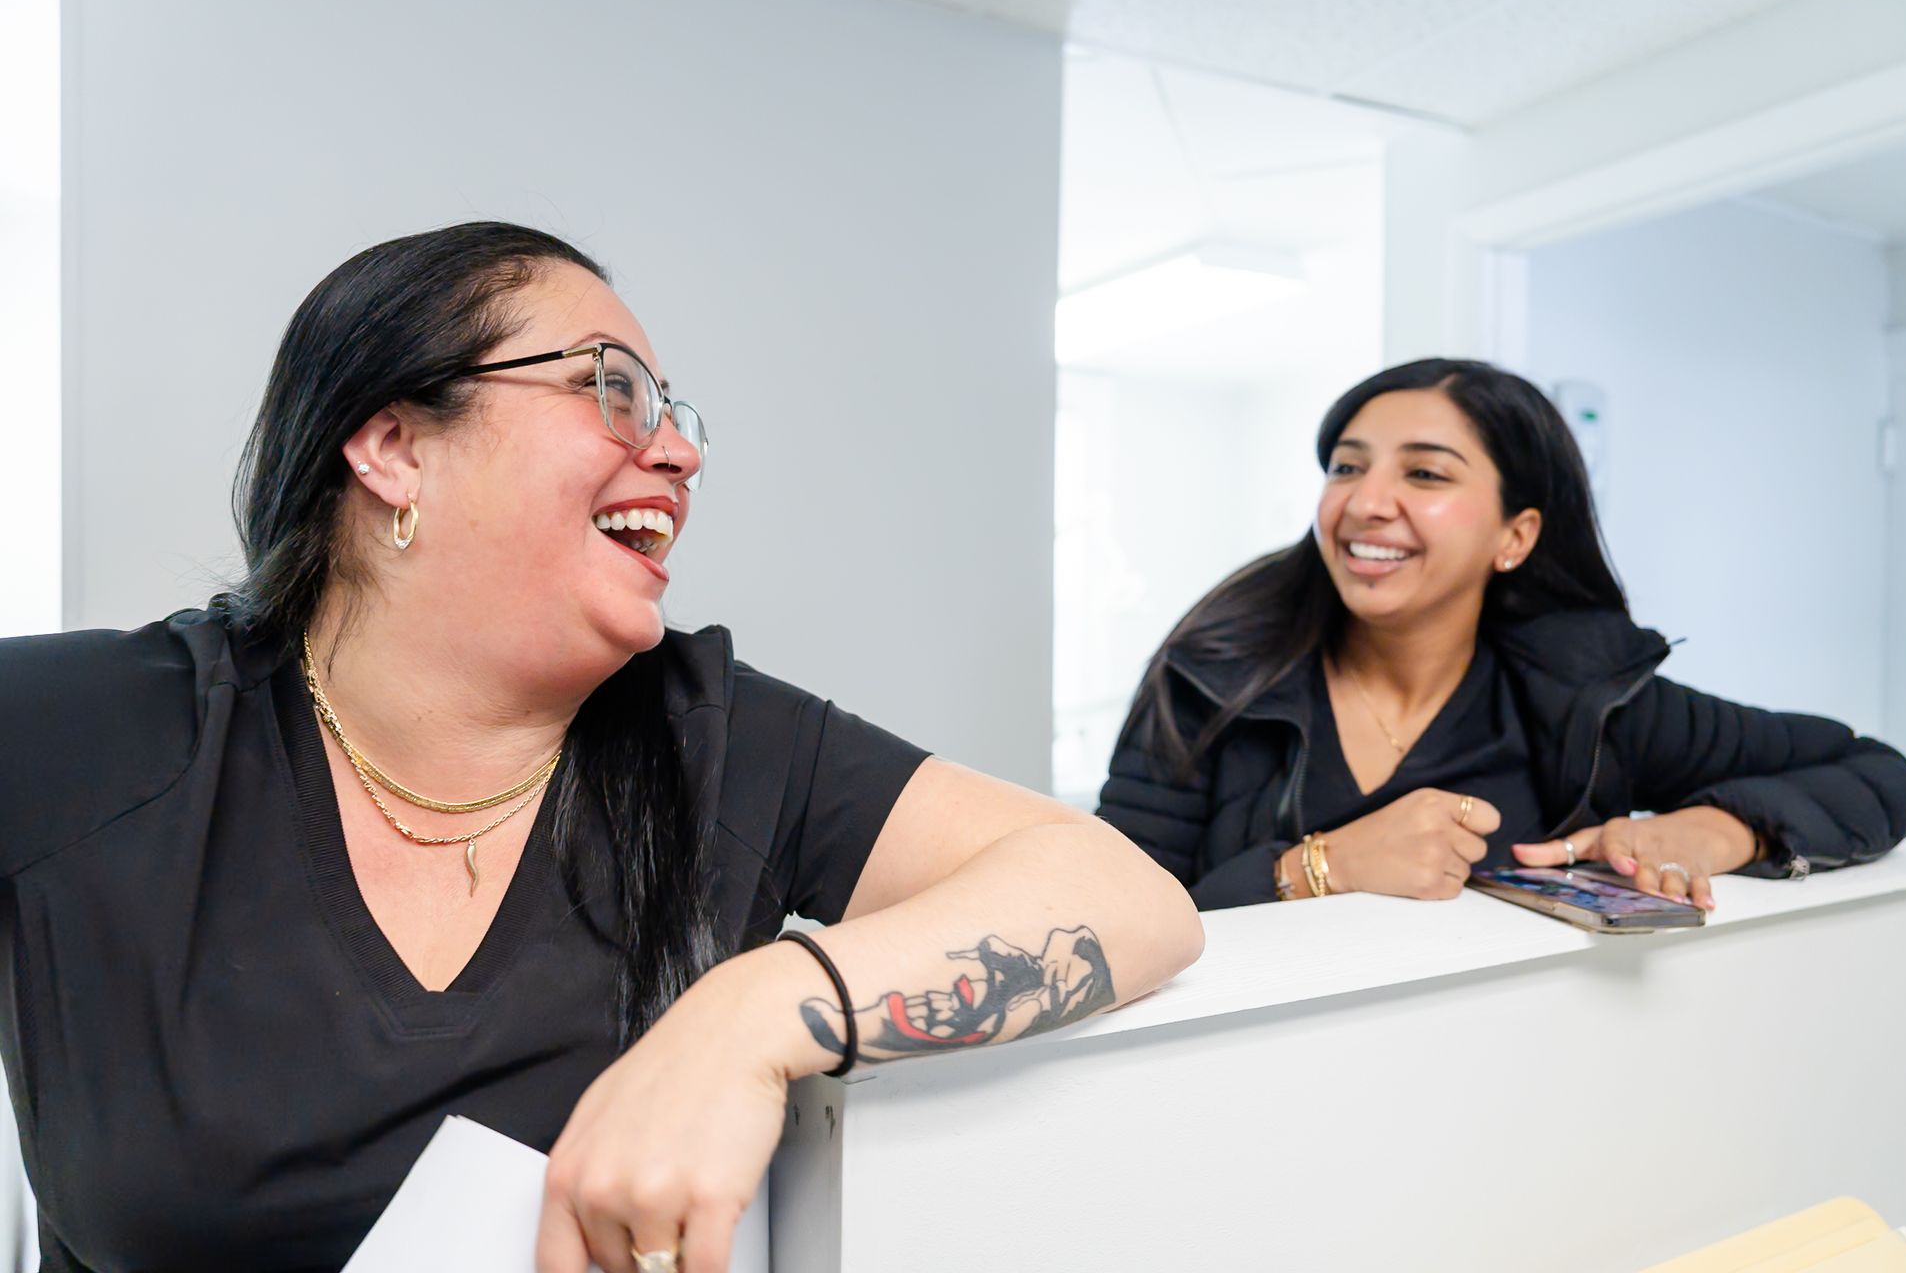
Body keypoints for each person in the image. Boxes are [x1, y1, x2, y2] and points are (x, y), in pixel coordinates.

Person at [0, 223, 1204, 1273]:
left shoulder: (716, 734)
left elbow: (1123, 891)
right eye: (612, 389)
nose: (678, 452)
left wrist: (754, 1010)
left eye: (672, 412)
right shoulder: (93, 729)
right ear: (394, 446)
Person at [1097, 358, 1906, 912]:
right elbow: (1105, 915)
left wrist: (1720, 830)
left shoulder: (1587, 695)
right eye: (1348, 467)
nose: (1365, 501)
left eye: (1424, 473)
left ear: (1515, 537)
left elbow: (1883, 772)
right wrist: (1316, 869)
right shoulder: (1209, 676)